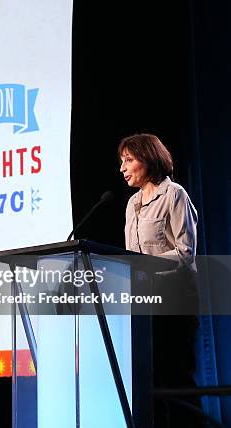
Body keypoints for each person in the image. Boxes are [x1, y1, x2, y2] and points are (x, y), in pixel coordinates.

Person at [118, 133, 202, 427]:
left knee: (177, 376)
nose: (123, 168)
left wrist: (145, 265)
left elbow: (185, 254)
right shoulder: (132, 204)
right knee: (148, 378)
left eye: (129, 160)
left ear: (148, 159)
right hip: (143, 302)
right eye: (122, 161)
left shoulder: (174, 194)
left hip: (175, 300)